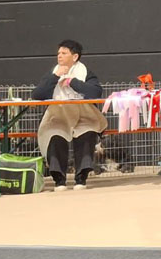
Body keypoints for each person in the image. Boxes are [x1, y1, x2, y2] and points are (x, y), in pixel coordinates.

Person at [33, 40, 107, 191]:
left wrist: (71, 82)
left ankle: (81, 178)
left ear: (75, 57)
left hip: (84, 115)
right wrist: (55, 76)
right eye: (58, 53)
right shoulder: (53, 72)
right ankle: (59, 180)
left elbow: (95, 92)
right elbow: (37, 94)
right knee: (55, 136)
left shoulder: (86, 72)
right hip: (58, 116)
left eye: (64, 53)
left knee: (87, 133)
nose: (59, 56)